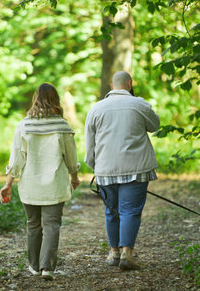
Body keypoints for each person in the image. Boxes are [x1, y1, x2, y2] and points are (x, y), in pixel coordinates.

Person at [0, 83, 80, 281]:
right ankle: (47, 268)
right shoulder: (62, 126)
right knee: (52, 224)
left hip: (31, 184)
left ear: (35, 98)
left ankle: (34, 266)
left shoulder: (24, 125)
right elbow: (71, 158)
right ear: (56, 100)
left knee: (33, 224)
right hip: (54, 184)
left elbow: (16, 158)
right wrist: (74, 177)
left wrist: (8, 183)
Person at [84, 71, 160, 270]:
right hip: (136, 167)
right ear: (129, 83)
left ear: (111, 85)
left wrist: (95, 167)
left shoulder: (96, 108)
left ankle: (114, 253)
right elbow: (155, 125)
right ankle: (127, 253)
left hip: (105, 169)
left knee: (112, 211)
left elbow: (89, 144)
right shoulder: (139, 104)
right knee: (131, 211)